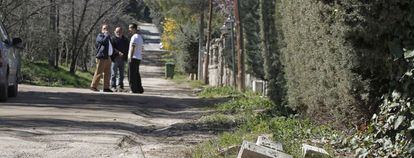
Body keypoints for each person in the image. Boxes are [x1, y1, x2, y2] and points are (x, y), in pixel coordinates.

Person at [90, 24, 113, 92]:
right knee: (99, 72)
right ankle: (93, 86)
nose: (106, 30)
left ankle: (106, 87)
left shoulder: (108, 37)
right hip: (102, 57)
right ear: (102, 29)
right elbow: (102, 42)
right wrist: (106, 35)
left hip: (108, 57)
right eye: (104, 28)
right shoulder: (100, 36)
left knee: (107, 73)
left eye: (107, 28)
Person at [110, 27, 129, 91]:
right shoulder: (112, 39)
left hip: (122, 59)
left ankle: (120, 86)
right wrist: (118, 52)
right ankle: (113, 86)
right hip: (114, 59)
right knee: (114, 74)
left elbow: (128, 49)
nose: (119, 33)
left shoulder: (125, 40)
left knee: (121, 74)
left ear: (122, 32)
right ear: (114, 32)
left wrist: (126, 57)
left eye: (120, 31)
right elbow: (111, 48)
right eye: (117, 31)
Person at [128, 23, 144, 93]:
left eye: (130, 28)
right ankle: (139, 89)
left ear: (134, 29)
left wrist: (130, 57)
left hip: (133, 58)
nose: (129, 30)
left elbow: (133, 47)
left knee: (131, 75)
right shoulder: (140, 37)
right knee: (136, 74)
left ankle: (134, 89)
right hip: (138, 58)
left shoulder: (134, 37)